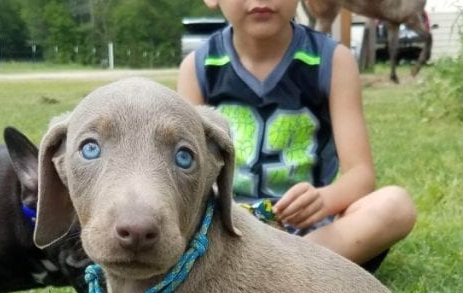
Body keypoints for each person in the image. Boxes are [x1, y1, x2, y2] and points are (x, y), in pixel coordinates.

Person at [177, 0, 416, 273]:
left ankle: (274, 272)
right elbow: (189, 179)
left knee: (396, 205)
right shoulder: (198, 67)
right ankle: (290, 276)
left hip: (308, 233)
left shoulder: (333, 60)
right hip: (227, 230)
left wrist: (324, 199)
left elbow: (360, 175)